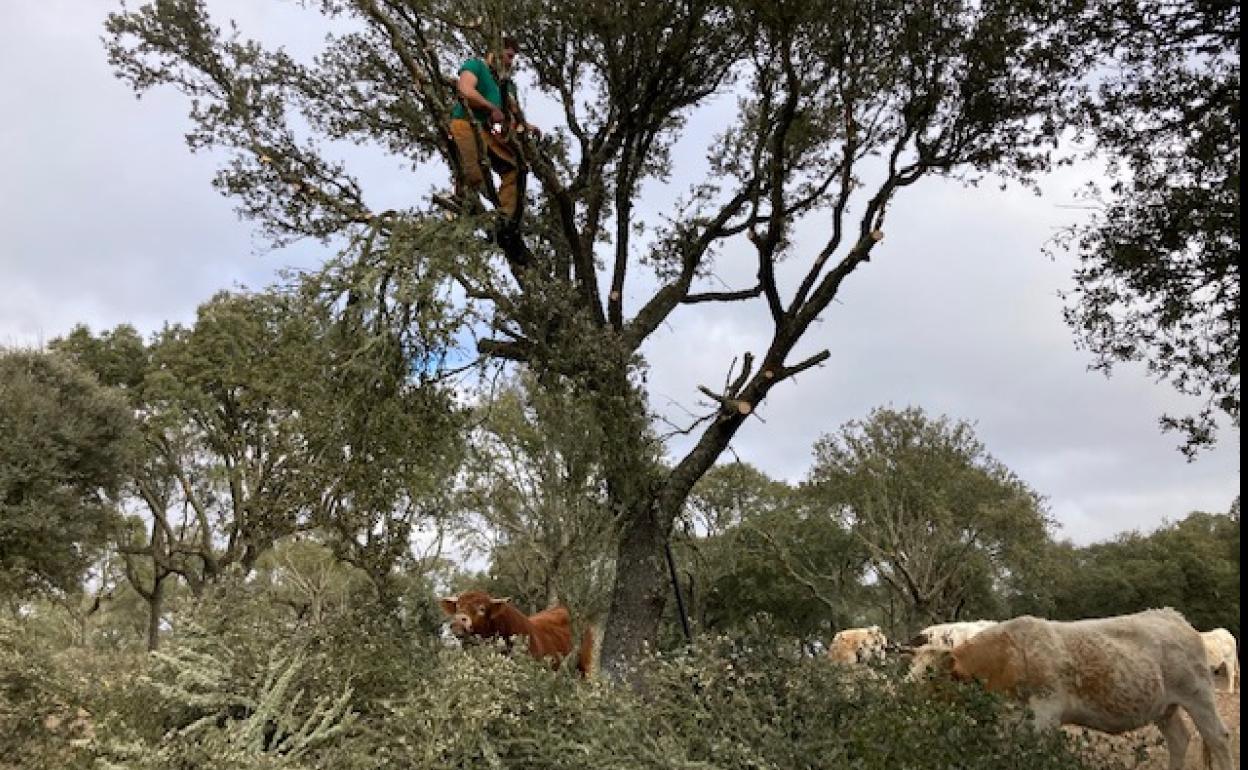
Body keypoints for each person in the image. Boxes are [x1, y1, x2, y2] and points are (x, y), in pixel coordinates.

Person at [449, 36, 532, 218]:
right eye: (509, 56)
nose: (511, 62)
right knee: (474, 174)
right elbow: (465, 90)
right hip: (465, 124)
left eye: (513, 58)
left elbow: (513, 115)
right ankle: (460, 208)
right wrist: (490, 107)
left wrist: (527, 126)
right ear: (495, 52)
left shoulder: (507, 86)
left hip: (486, 131)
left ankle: (504, 217)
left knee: (514, 167)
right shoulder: (476, 66)